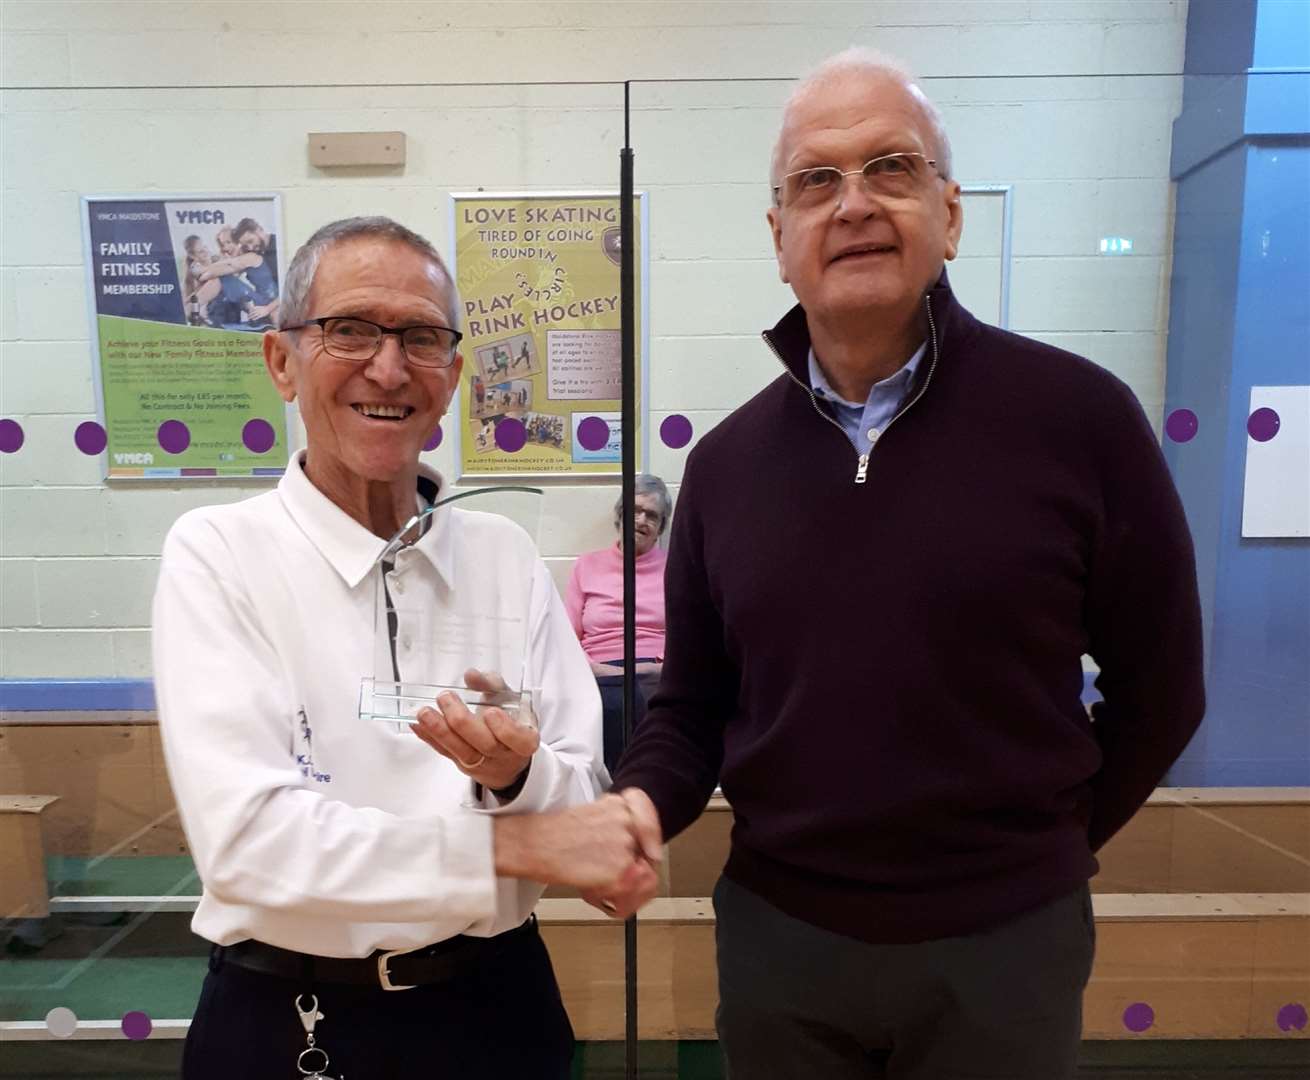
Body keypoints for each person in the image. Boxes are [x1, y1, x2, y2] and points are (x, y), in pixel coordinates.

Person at [598, 48, 1205, 1079]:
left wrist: (1041, 853)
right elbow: (691, 707)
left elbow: (1162, 692)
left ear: (949, 214)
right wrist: (636, 807)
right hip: (780, 944)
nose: (853, 205)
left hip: (1005, 947)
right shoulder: (724, 465)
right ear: (778, 236)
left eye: (890, 168)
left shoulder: (1078, 419)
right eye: (815, 181)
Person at [153, 216, 656, 1079]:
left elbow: (582, 791)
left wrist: (517, 777)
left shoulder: (503, 556)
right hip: (291, 1021)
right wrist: (513, 845)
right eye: (349, 330)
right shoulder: (218, 553)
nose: (388, 368)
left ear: (453, 375)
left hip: (498, 1007)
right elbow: (250, 847)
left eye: (420, 337)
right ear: (282, 360)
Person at [564, 475, 670, 772]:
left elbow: (690, 636)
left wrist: (652, 668)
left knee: (631, 700)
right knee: (614, 701)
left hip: (654, 671)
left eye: (651, 515)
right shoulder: (586, 565)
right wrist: (597, 669)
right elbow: (567, 636)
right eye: (634, 510)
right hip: (597, 671)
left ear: (661, 527)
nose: (641, 520)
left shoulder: (676, 568)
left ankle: (622, 787)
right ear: (619, 515)